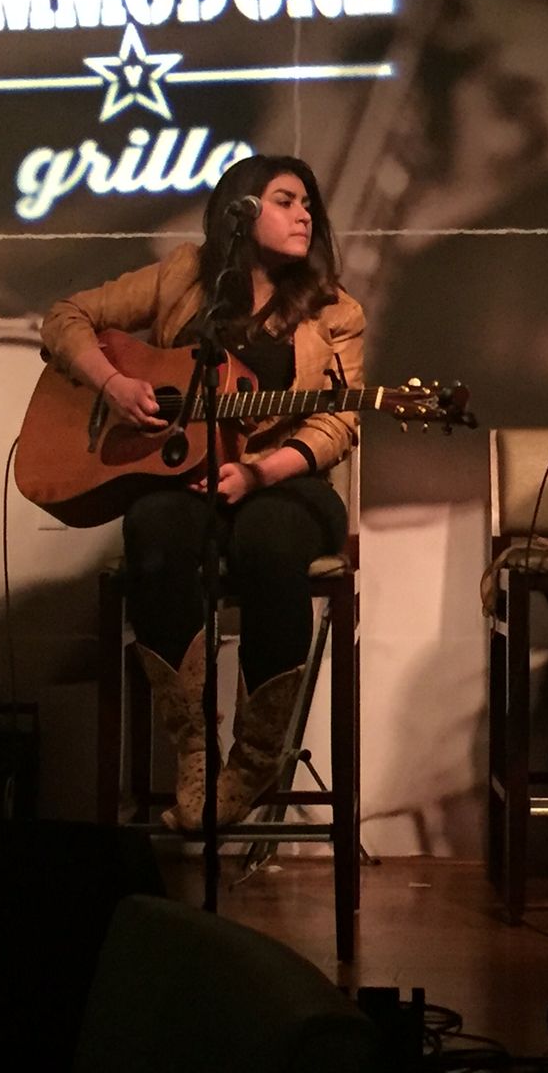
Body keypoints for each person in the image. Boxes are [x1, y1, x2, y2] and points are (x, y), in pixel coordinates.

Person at [40, 154, 362, 831]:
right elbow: (67, 316)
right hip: (184, 477)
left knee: (267, 540)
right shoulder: (185, 275)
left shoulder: (335, 310)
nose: (304, 215)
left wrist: (259, 473)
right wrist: (112, 383)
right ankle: (193, 745)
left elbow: (338, 422)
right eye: (285, 201)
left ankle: (254, 756)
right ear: (242, 209)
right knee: (153, 529)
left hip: (288, 483)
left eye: (308, 203)